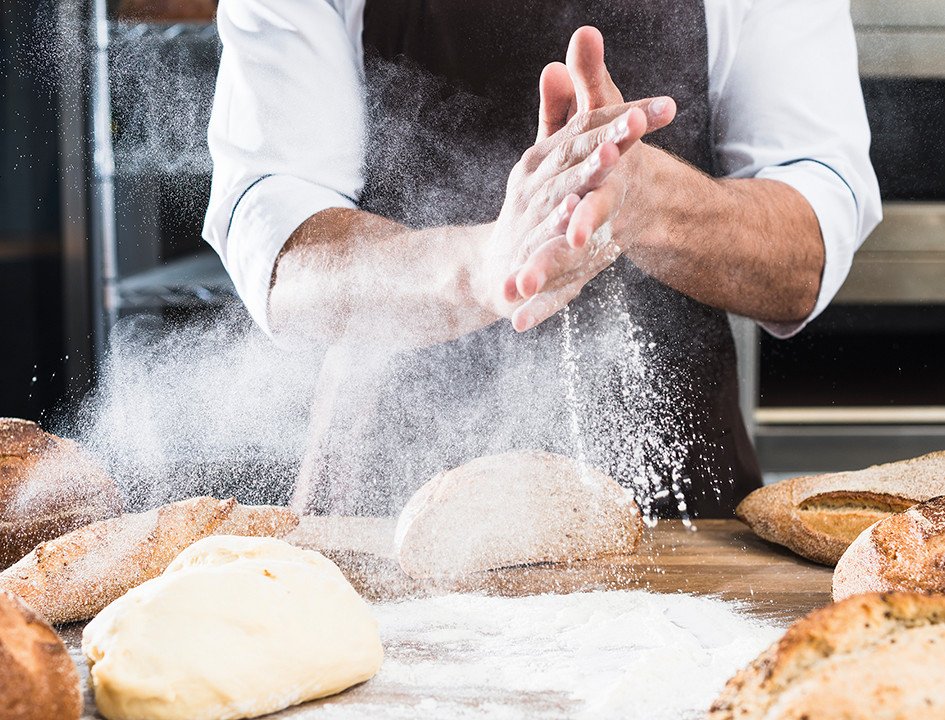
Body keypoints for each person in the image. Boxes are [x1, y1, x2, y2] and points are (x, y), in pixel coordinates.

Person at [203, 0, 881, 518]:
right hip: (383, 509)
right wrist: (482, 265)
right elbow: (284, 254)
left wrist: (645, 201)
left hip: (674, 508)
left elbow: (803, 255)